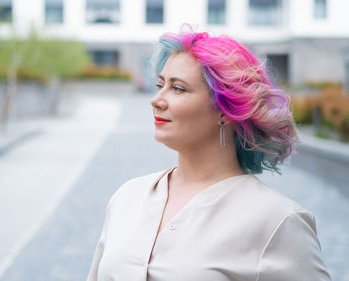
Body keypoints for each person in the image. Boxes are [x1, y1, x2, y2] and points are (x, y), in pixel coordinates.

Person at [86, 27, 332, 281]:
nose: (157, 99)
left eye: (178, 88)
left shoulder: (277, 221)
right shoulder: (127, 198)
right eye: (160, 85)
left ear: (225, 110)